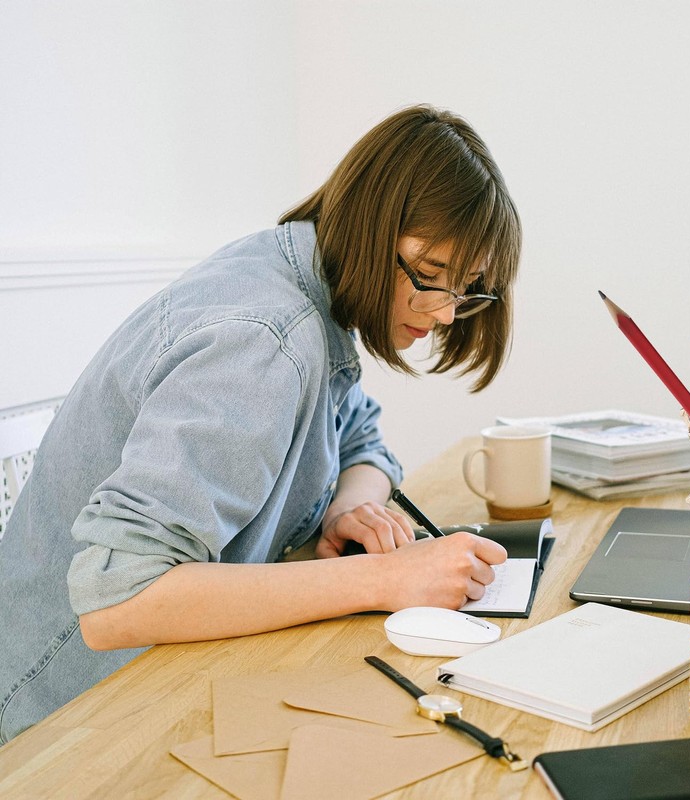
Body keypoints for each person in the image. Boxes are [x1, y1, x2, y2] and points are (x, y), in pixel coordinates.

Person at [0, 104, 521, 743]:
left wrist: (349, 510)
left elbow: (362, 437)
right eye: (431, 277)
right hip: (61, 717)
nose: (444, 314)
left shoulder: (304, 282)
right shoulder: (264, 342)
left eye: (464, 288)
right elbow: (117, 599)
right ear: (369, 223)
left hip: (167, 675)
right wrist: (381, 577)